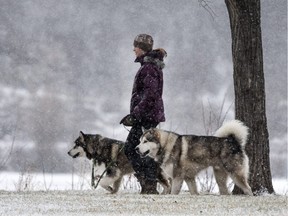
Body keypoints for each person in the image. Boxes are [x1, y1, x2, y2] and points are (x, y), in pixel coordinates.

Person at [120, 34, 167, 194]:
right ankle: (148, 185)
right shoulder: (151, 66)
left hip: (146, 118)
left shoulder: (148, 68)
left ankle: (149, 185)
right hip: (147, 116)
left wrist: (136, 114)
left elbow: (150, 95)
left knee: (133, 148)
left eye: (135, 47)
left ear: (141, 48)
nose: (133, 49)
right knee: (140, 149)